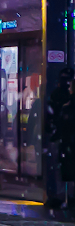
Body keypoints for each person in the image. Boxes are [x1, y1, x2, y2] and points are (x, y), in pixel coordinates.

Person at [45, 67, 74, 207]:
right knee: (63, 168)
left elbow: (52, 117)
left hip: (62, 137)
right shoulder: (64, 98)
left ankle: (61, 197)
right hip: (65, 138)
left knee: (59, 168)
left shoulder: (58, 96)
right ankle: (66, 197)